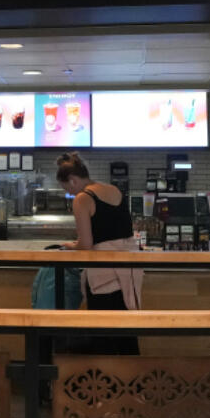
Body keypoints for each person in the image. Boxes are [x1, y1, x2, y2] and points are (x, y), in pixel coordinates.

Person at [56, 152, 142, 354]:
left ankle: (107, 382)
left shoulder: (83, 198)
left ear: (73, 180)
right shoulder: (113, 189)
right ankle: (132, 381)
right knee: (127, 329)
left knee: (104, 333)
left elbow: (86, 244)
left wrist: (70, 246)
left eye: (67, 188)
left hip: (105, 272)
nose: (69, 193)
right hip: (129, 269)